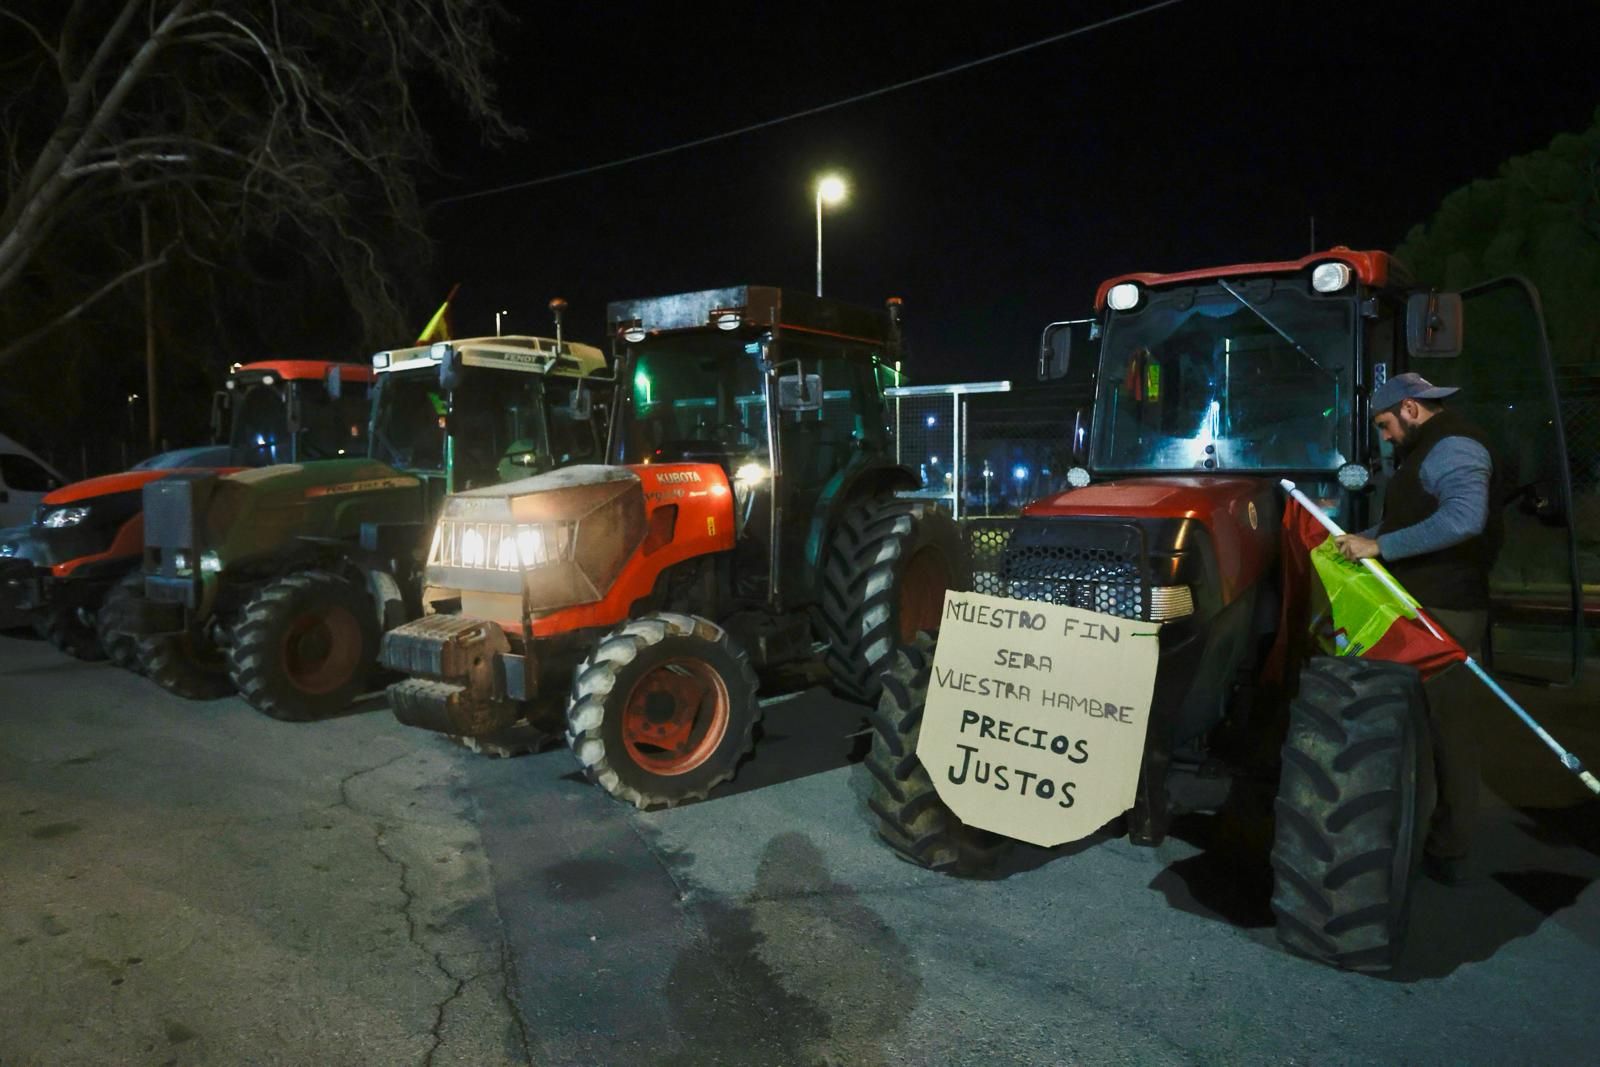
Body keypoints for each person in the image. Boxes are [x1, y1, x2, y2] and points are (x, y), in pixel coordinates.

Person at [1334, 372, 1503, 886]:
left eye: (1385, 425)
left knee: (1446, 732)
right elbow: (1408, 518)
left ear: (1409, 408)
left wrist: (1380, 548)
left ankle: (1449, 847)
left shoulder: (1455, 447)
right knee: (1419, 726)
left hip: (1448, 611)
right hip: (1423, 609)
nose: (1384, 437)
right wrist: (1353, 538)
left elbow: (1462, 520)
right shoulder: (1427, 452)